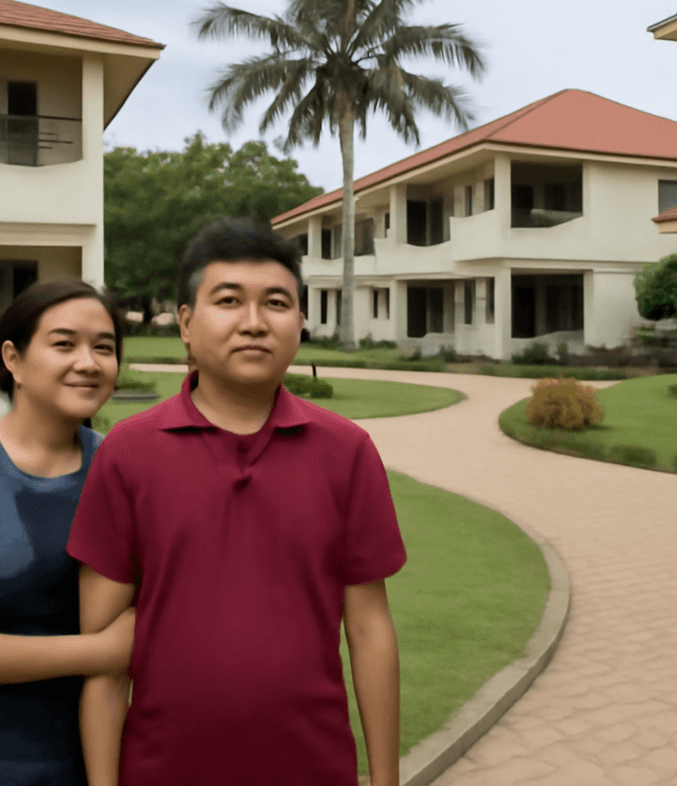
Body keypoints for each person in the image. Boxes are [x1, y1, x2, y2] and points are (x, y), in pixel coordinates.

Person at [69, 216, 406, 786]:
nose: (254, 323)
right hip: (161, 771)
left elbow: (370, 629)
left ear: (300, 322)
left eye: (276, 303)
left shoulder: (347, 452)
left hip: (313, 769)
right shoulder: (129, 452)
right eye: (228, 301)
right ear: (185, 323)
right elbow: (103, 659)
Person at [0, 280, 136, 786]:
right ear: (13, 358)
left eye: (104, 347)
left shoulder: (125, 468)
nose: (89, 362)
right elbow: (121, 644)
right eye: (64, 344)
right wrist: (100, 651)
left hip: (93, 762)